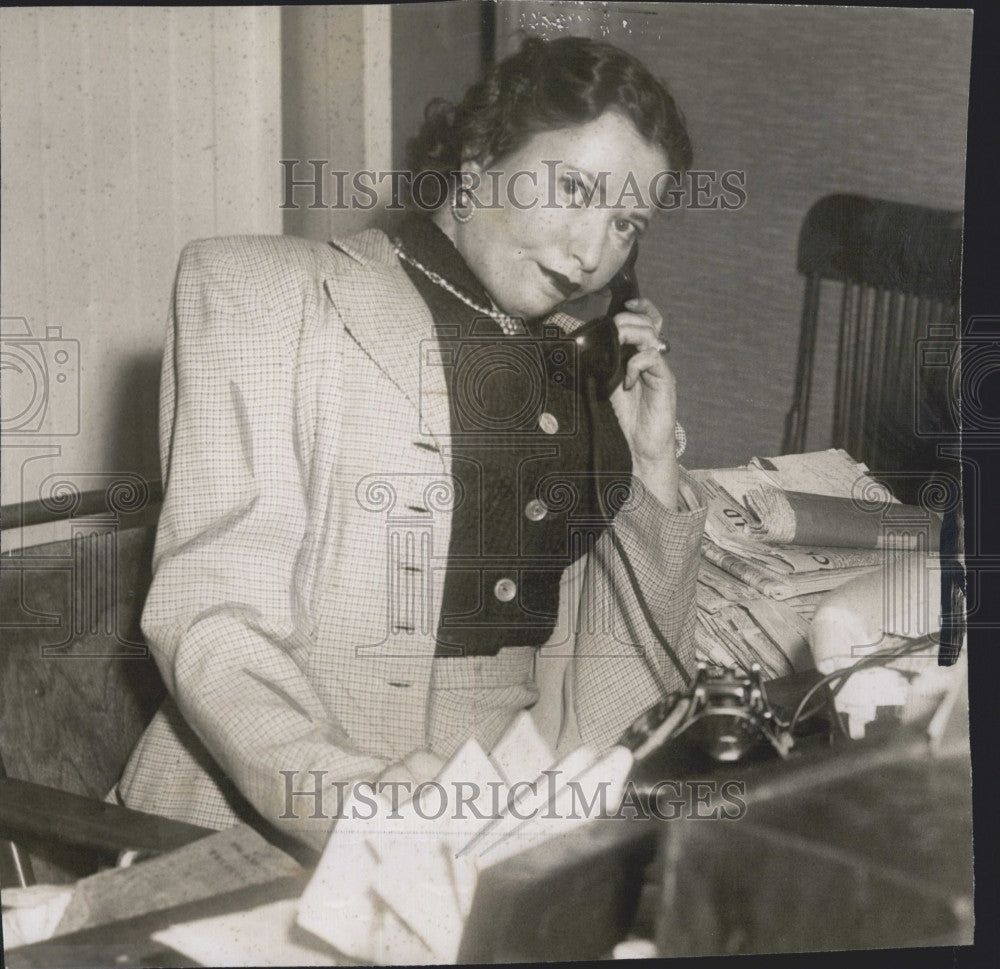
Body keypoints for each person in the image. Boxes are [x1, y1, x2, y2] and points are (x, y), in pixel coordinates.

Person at [114, 35, 708, 850]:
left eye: (625, 223)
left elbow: (620, 709)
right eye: (572, 187)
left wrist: (648, 468)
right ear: (475, 158)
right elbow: (211, 618)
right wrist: (356, 801)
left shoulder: (578, 365)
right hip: (258, 825)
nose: (591, 251)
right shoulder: (263, 294)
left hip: (491, 829)